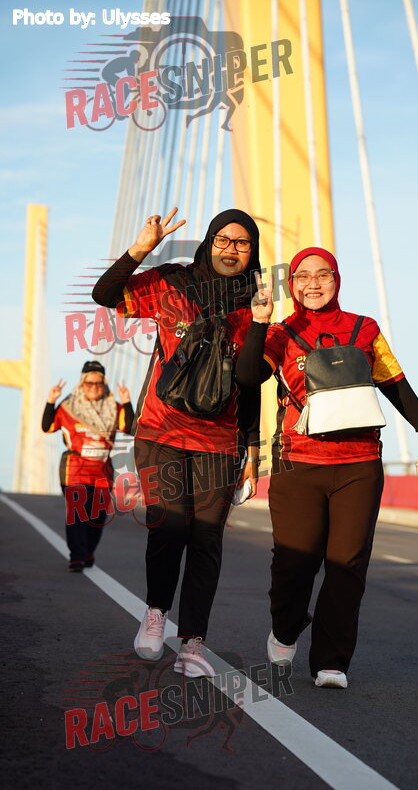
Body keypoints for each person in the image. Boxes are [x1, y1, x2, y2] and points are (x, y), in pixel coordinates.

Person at [235, 246, 418, 689]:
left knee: (347, 565)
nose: (313, 284)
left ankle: (331, 661)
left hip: (359, 464)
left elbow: (395, 383)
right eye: (303, 276)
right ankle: (286, 627)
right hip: (298, 464)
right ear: (292, 284)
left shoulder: (364, 328)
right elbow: (248, 376)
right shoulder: (281, 333)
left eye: (323, 274)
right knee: (294, 565)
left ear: (337, 280)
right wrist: (258, 324)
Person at [92, 207, 261, 677]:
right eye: (223, 239)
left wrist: (252, 450)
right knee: (168, 528)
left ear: (253, 253)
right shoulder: (172, 283)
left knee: (207, 540)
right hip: (161, 429)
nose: (231, 249)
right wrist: (140, 249)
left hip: (221, 441)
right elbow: (105, 295)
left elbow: (250, 385)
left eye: (242, 243)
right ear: (209, 242)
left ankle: (192, 643)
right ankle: (155, 614)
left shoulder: (255, 305)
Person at [42, 361, 133, 572]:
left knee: (97, 518)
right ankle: (77, 556)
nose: (94, 387)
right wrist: (51, 401)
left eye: (98, 383)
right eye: (89, 383)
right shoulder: (68, 407)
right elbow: (47, 427)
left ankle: (89, 550)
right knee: (77, 514)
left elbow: (128, 427)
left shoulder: (114, 408)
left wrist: (127, 402)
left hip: (102, 471)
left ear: (104, 384)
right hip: (74, 469)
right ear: (82, 383)